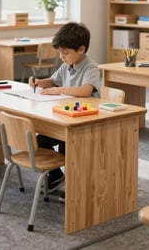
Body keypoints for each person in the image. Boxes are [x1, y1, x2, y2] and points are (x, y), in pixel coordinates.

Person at [29, 21, 101, 197]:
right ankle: (56, 177)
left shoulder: (90, 67)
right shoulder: (66, 65)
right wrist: (38, 82)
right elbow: (52, 81)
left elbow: (85, 91)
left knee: (65, 148)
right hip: (65, 117)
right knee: (39, 142)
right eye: (60, 53)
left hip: (85, 121)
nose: (62, 57)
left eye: (65, 53)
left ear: (81, 50)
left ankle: (77, 187)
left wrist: (58, 90)